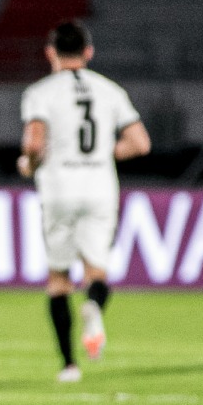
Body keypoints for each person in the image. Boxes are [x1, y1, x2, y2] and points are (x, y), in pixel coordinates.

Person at [17, 20, 150, 383]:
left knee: (59, 278)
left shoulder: (40, 92)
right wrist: (105, 153)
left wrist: (28, 164)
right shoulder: (110, 90)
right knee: (97, 271)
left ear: (51, 53)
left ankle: (69, 365)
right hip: (100, 188)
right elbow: (140, 143)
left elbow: (33, 143)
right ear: (88, 52)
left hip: (59, 188)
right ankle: (93, 304)